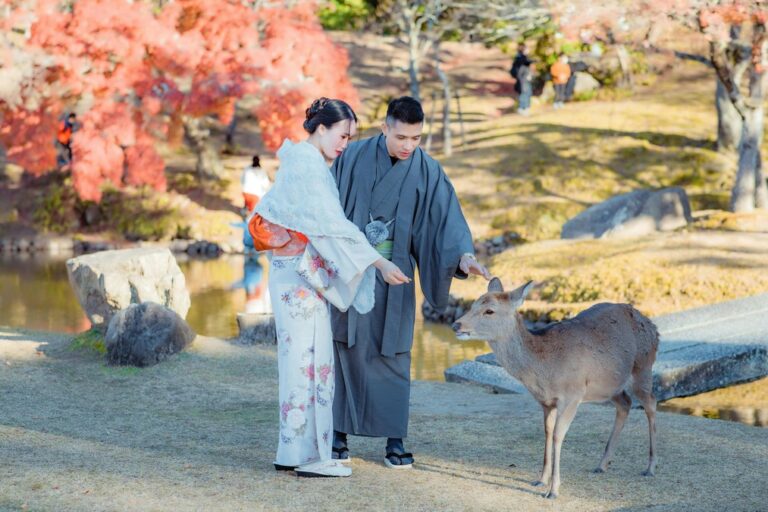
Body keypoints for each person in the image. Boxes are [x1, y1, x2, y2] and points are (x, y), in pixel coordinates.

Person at [249, 98, 409, 478]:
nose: (345, 144)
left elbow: (327, 227)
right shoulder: (307, 166)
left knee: (303, 361)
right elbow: (333, 227)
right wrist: (381, 262)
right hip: (299, 276)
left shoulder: (305, 163)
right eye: (342, 135)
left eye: (350, 138)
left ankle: (294, 450)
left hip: (295, 274)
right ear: (321, 128)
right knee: (311, 363)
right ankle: (311, 455)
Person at [329, 96, 490, 469]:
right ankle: (337, 433)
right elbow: (328, 212)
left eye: (415, 138)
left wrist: (463, 257)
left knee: (394, 353)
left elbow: (444, 222)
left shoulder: (428, 171)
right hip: (352, 270)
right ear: (384, 127)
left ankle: (395, 441)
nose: (408, 146)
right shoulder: (350, 159)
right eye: (401, 136)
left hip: (397, 275)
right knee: (344, 348)